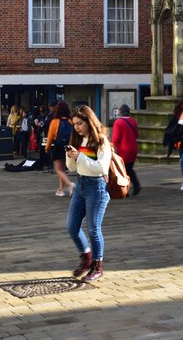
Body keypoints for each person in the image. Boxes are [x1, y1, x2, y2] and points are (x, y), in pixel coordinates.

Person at [65, 105, 112, 282]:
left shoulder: (100, 141)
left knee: (93, 229)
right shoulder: (78, 140)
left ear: (89, 122)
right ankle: (86, 257)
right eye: (74, 124)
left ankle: (97, 266)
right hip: (81, 184)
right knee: (71, 226)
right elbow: (71, 168)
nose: (77, 127)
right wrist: (70, 155)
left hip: (96, 186)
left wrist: (80, 157)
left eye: (80, 123)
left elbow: (101, 168)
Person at [110, 104, 141, 196]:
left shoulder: (118, 122)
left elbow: (116, 138)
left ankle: (125, 190)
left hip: (123, 150)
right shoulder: (133, 121)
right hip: (133, 148)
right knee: (129, 169)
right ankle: (136, 185)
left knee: (122, 171)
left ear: (120, 112)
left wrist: (112, 147)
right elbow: (136, 135)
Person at [45, 102, 74, 197]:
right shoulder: (71, 121)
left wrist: (47, 148)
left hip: (58, 146)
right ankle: (60, 190)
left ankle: (70, 184)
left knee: (58, 169)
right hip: (69, 147)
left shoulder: (55, 121)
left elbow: (50, 136)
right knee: (62, 170)